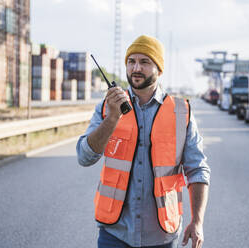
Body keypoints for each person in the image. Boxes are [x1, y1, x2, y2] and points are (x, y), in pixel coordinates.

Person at [76, 35, 210, 248]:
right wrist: (112, 119)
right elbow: (84, 157)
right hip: (115, 233)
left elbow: (198, 170)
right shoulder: (107, 107)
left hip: (162, 236)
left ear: (159, 69)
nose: (136, 68)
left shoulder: (180, 111)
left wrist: (197, 222)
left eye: (145, 62)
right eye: (131, 61)